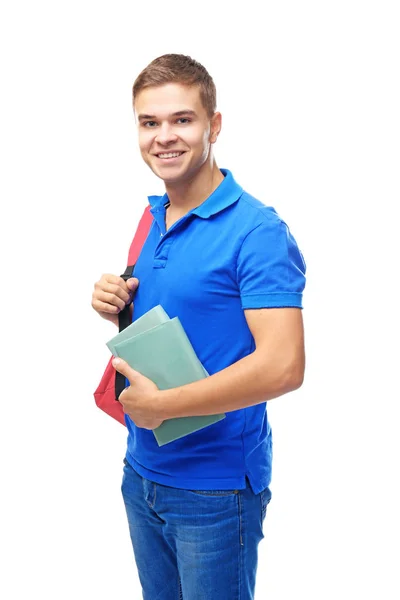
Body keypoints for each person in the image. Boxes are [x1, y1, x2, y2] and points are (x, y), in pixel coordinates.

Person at [91, 53, 306, 600]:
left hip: (215, 490)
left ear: (213, 125)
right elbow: (179, 316)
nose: (164, 137)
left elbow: (284, 366)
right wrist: (116, 297)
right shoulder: (154, 215)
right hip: (142, 472)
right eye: (149, 123)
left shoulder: (257, 231)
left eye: (182, 120)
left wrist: (165, 405)